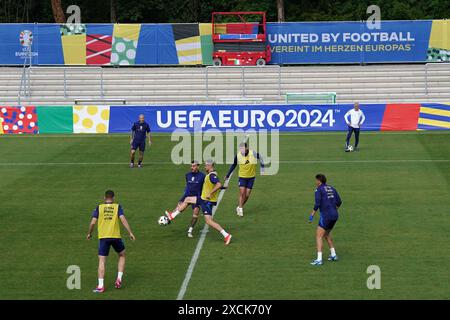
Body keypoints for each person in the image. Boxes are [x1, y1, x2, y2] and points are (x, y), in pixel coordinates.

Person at [167, 160, 232, 245]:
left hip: (206, 201)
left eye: (205, 166)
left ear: (210, 166)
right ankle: (172, 216)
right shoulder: (211, 175)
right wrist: (223, 187)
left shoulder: (211, 175)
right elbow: (217, 185)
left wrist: (210, 193)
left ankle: (226, 235)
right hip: (203, 199)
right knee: (187, 199)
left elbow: (218, 184)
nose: (204, 167)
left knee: (209, 221)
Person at [87, 190, 136, 293]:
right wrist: (130, 232)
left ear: (104, 198)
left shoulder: (99, 207)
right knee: (122, 255)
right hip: (116, 237)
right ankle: (119, 278)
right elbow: (123, 219)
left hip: (103, 238)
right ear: (113, 198)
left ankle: (100, 286)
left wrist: (90, 233)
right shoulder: (117, 207)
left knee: (102, 261)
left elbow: (92, 223)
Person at [164, 160, 205, 238]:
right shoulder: (187, 175)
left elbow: (204, 188)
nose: (191, 167)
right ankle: (169, 219)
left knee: (195, 214)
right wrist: (181, 199)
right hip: (187, 196)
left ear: (197, 166)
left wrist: (201, 201)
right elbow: (187, 188)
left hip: (197, 197)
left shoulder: (202, 176)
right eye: (191, 166)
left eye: (193, 166)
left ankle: (190, 230)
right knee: (179, 208)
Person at [308, 174, 342, 266]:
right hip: (335, 215)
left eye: (316, 180)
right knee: (326, 234)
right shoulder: (332, 188)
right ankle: (334, 255)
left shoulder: (318, 190)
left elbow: (317, 203)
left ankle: (319, 259)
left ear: (319, 181)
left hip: (326, 216)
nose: (315, 182)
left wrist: (312, 215)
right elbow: (339, 202)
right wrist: (334, 210)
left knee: (318, 236)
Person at [225, 142, 264, 217]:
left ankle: (239, 206)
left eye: (243, 148)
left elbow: (261, 158)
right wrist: (228, 174)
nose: (241, 150)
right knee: (242, 193)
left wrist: (262, 169)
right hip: (242, 177)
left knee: (247, 195)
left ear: (246, 148)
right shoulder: (238, 155)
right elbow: (233, 165)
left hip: (251, 177)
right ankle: (240, 209)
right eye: (240, 149)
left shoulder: (253, 153)